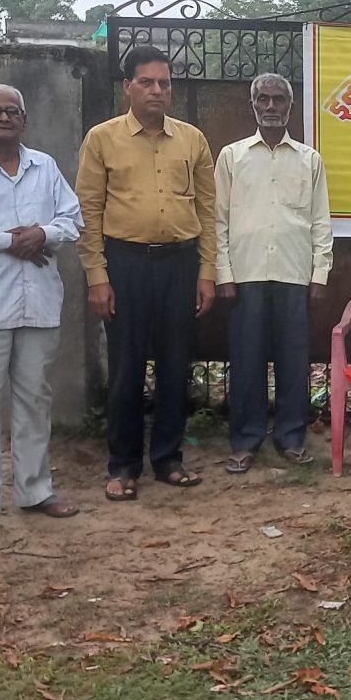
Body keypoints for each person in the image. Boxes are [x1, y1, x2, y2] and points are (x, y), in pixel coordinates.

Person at [76, 45, 217, 499]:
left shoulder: (192, 140)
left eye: (165, 83)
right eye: (147, 82)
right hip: (126, 264)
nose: (157, 90)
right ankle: (123, 465)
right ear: (128, 87)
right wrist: (97, 276)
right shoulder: (102, 139)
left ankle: (169, 458)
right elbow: (88, 212)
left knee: (176, 365)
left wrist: (207, 271)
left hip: (180, 263)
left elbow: (209, 211)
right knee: (127, 367)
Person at [0, 84, 83, 532]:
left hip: (38, 302)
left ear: (24, 120)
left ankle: (35, 489)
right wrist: (10, 241)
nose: (3, 117)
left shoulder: (45, 167)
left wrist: (42, 234)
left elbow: (72, 220)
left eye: (12, 111)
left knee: (34, 400)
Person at [215, 73, 333, 474]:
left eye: (278, 99)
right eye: (263, 98)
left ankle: (291, 437)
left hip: (293, 271)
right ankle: (245, 440)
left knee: (293, 359)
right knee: (246, 359)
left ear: (290, 106)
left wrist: (320, 274)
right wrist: (223, 273)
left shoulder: (309, 159)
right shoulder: (232, 157)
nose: (270, 106)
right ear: (252, 104)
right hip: (245, 271)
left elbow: (320, 221)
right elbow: (218, 220)